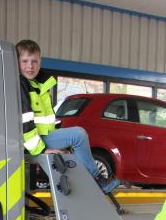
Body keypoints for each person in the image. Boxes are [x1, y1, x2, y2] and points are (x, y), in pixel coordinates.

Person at [16, 39, 119, 194]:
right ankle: (96, 179)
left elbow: (46, 122)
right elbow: (25, 123)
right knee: (78, 135)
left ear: (40, 62)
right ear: (16, 62)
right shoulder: (22, 85)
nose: (30, 66)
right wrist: (42, 150)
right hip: (33, 141)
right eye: (25, 61)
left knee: (74, 141)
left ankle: (84, 182)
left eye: (34, 61)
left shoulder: (38, 86)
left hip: (41, 136)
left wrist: (60, 144)